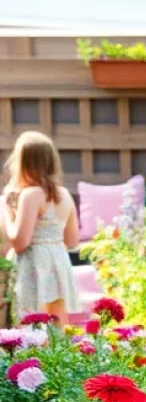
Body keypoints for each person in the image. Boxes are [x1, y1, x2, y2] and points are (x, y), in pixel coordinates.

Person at [1, 131, 80, 325]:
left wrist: (6, 210)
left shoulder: (31, 194)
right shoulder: (64, 194)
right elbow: (72, 241)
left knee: (29, 323)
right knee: (57, 326)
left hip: (34, 265)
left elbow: (20, 242)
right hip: (58, 263)